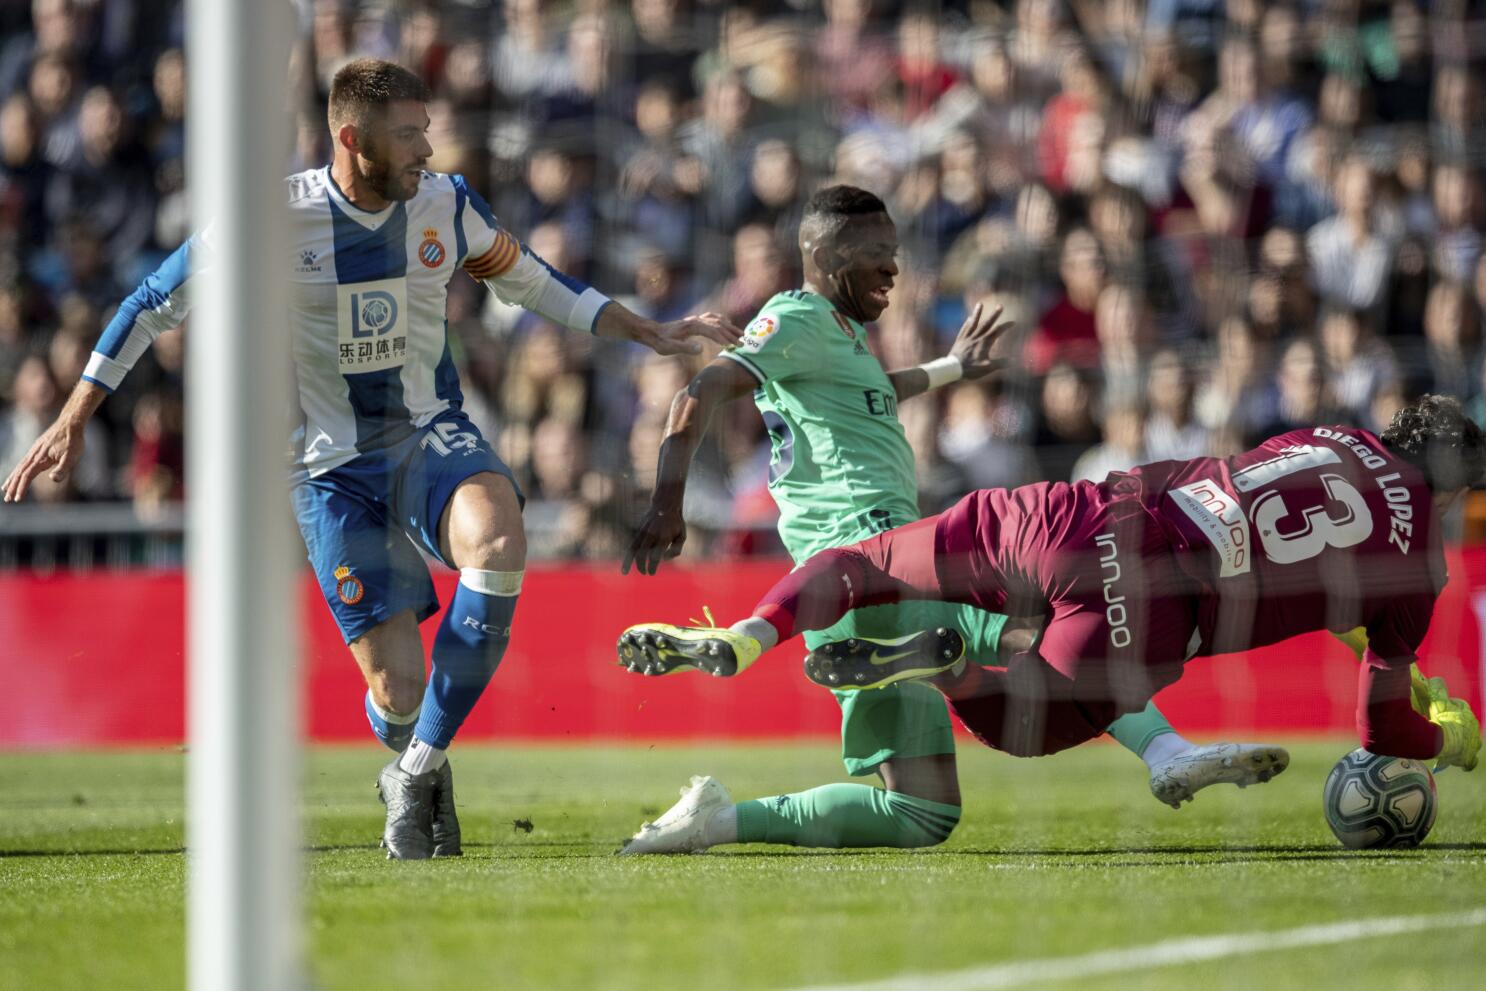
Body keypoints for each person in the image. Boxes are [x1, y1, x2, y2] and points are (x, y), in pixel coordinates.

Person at [2, 59, 738, 860]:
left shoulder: (444, 205)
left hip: (427, 433)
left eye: (427, 130)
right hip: (326, 466)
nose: (428, 148)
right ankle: (417, 750)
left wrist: (649, 330)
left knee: (496, 540)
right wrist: (76, 413)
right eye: (409, 134)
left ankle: (414, 769)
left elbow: (532, 282)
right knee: (397, 693)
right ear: (352, 140)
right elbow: (151, 303)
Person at [616, 185, 1288, 856]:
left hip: (849, 583)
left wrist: (948, 369)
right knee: (1043, 633)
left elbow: (875, 390)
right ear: (821, 255)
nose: (892, 268)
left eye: (894, 252)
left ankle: (715, 815)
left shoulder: (836, 339)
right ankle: (1164, 750)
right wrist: (666, 501)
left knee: (919, 810)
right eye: (874, 253)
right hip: (871, 553)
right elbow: (699, 389)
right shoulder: (794, 319)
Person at [622, 396, 1483, 780]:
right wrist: (1450, 744)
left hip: (1077, 510)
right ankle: (947, 664)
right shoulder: (1422, 563)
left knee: (866, 562)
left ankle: (746, 634)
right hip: (1151, 604)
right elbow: (1381, 723)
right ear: (1451, 487)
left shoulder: (1331, 433)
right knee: (1017, 727)